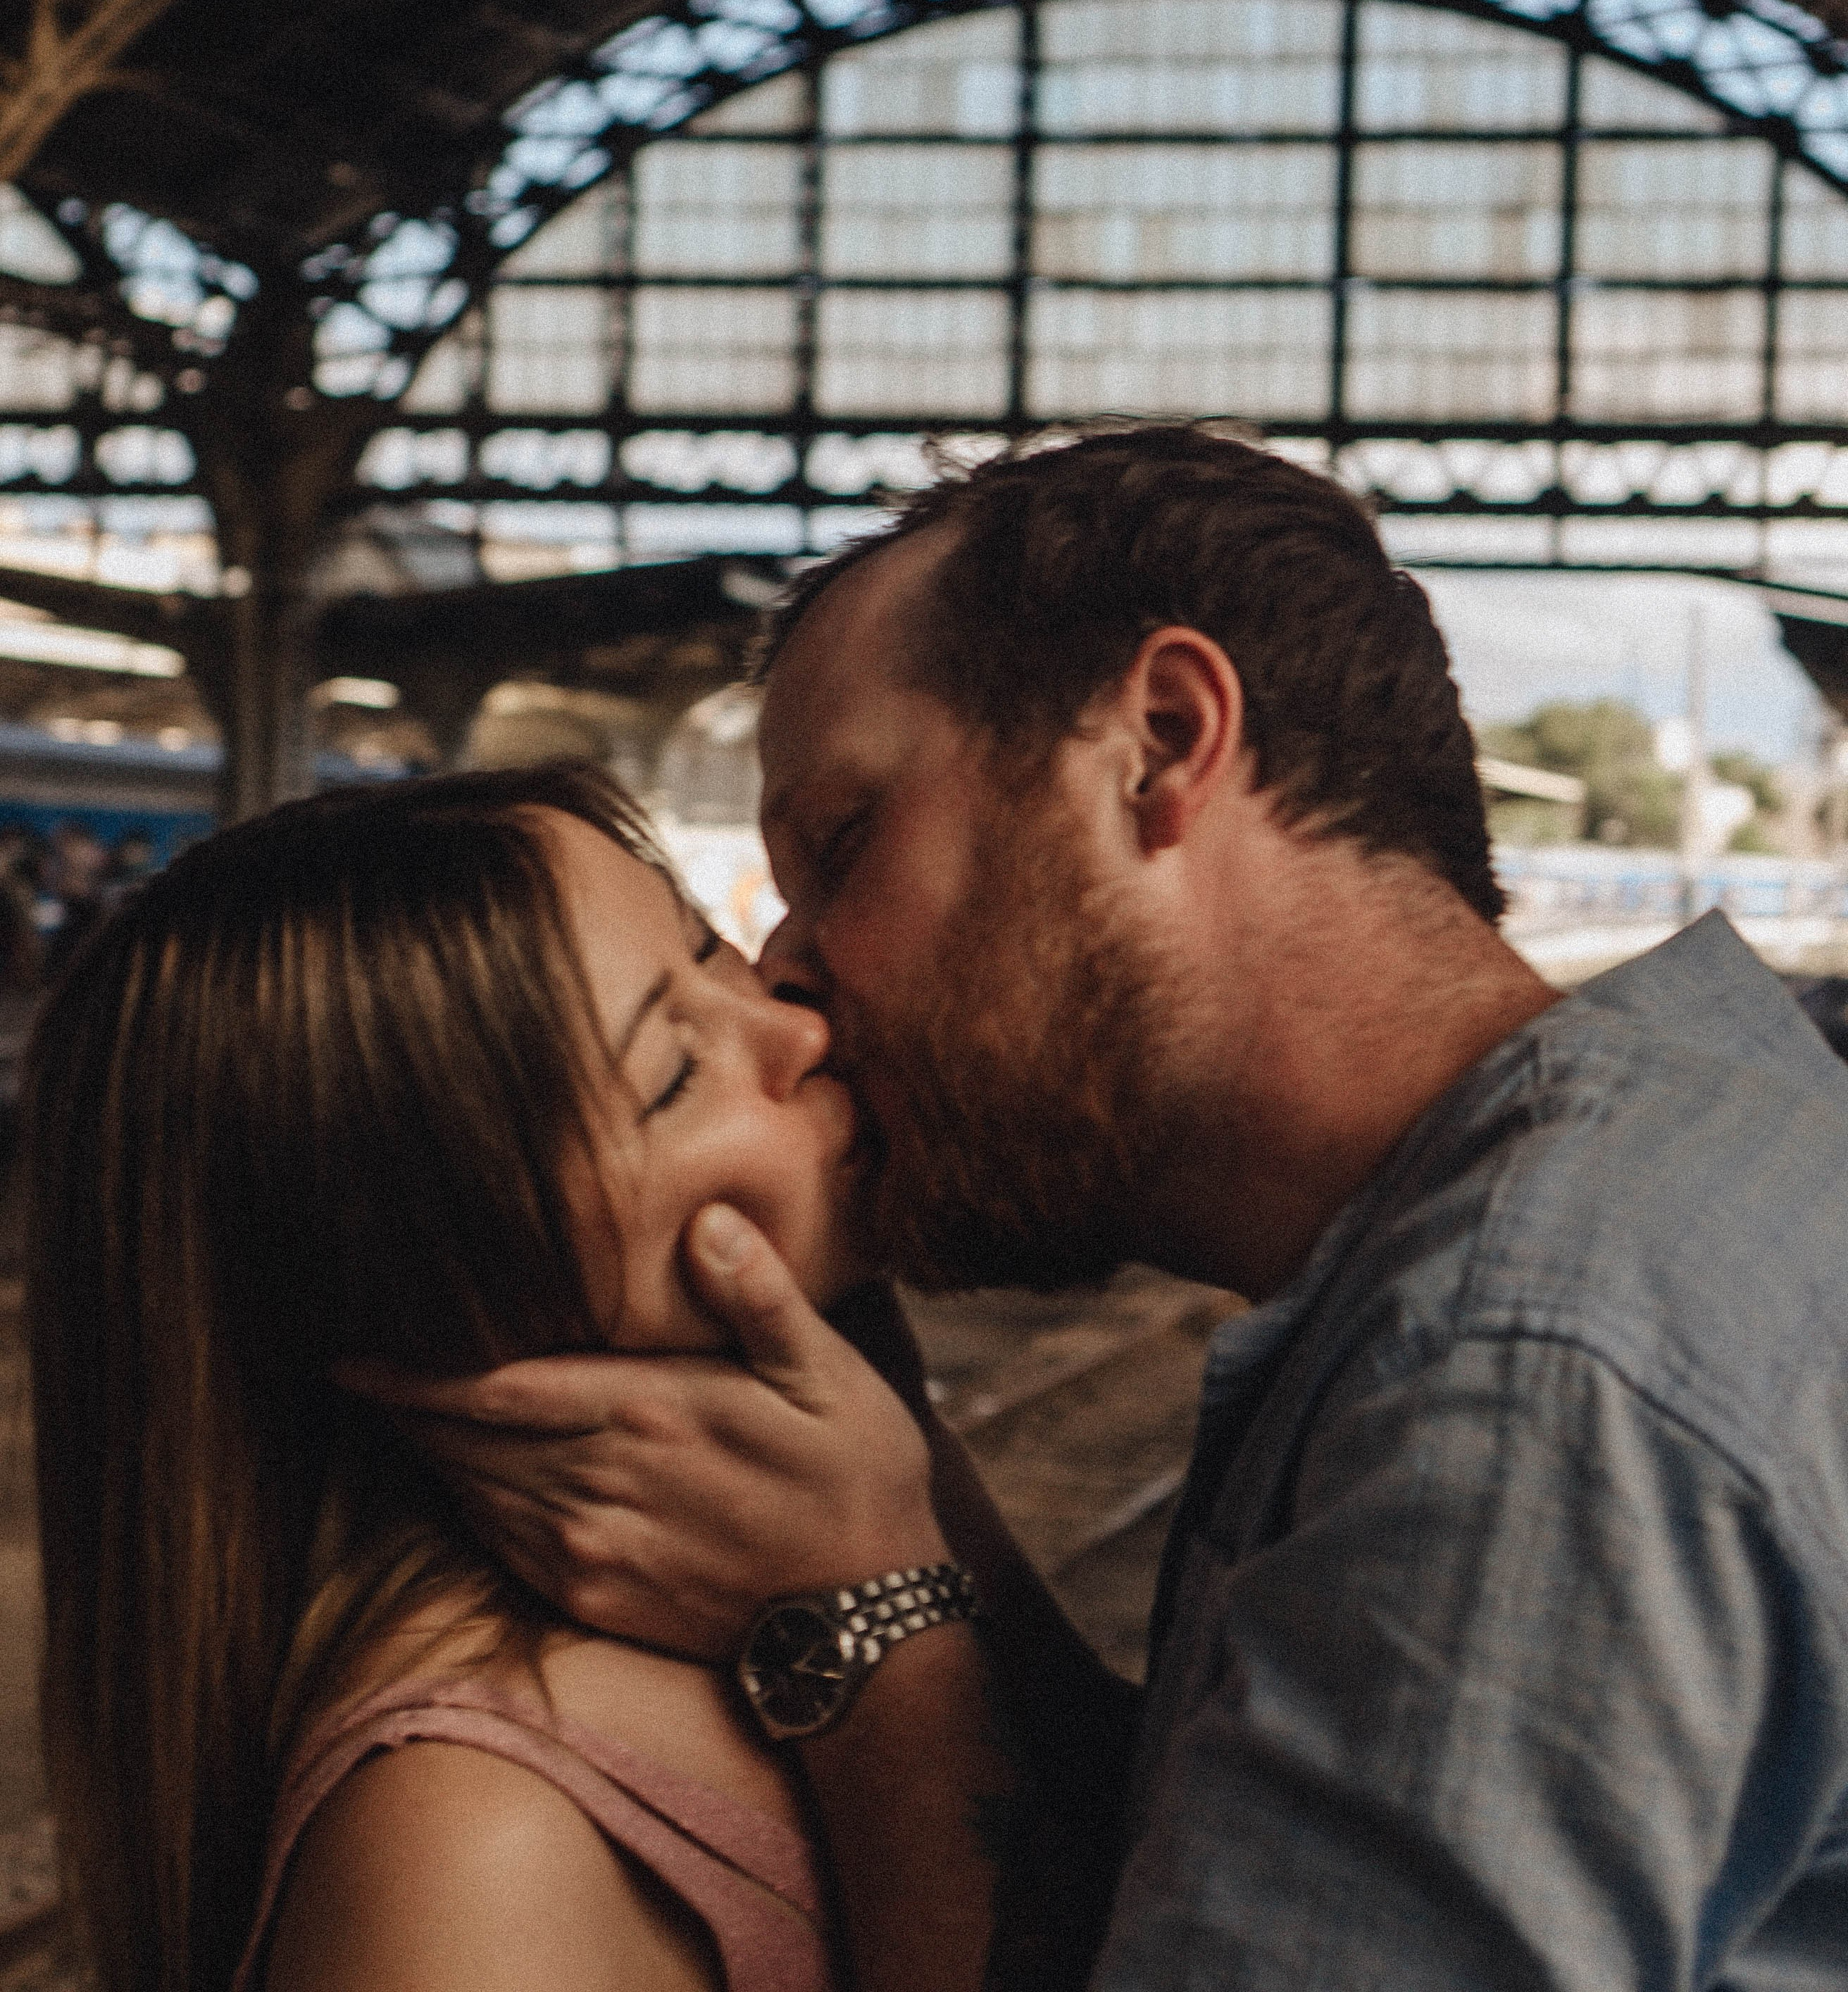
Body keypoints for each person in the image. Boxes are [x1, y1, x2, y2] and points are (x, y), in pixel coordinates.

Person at [384, 428, 1848, 1988]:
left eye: (840, 844)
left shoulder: (1523, 1369)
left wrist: (863, 1624)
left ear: (1157, 742)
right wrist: (909, 1507)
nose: (788, 975)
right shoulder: (1685, 1138)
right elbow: (1203, 1853)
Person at [25, 759, 1013, 1992]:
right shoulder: (468, 1857)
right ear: (445, 1302)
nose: (802, 1026)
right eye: (671, 1075)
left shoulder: (850, 1486)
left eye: (712, 953)